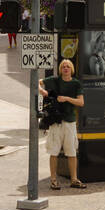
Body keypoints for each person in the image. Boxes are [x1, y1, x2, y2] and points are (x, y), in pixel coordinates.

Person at [39, 58, 86, 189]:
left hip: (70, 122)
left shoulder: (76, 84)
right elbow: (36, 82)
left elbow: (81, 102)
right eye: (64, 66)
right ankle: (53, 179)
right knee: (53, 151)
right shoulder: (54, 80)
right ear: (61, 69)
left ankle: (74, 179)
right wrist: (41, 90)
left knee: (71, 152)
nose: (66, 68)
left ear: (71, 69)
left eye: (68, 67)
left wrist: (66, 99)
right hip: (56, 122)